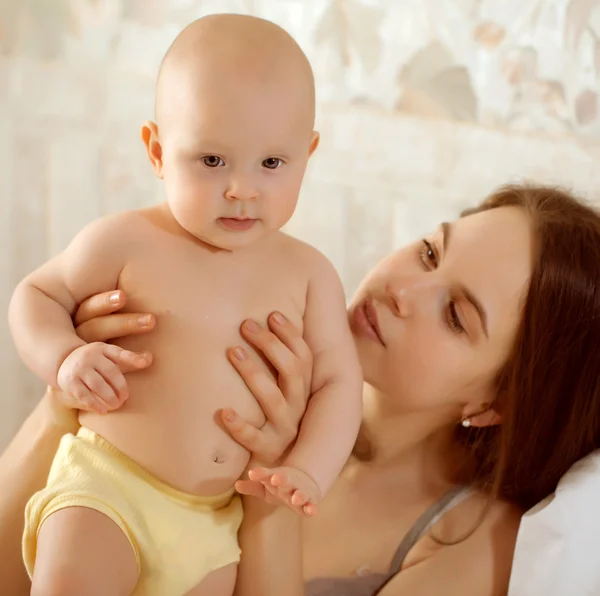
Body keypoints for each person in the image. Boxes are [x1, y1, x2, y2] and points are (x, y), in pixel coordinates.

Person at [3, 183, 600, 596]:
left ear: (495, 404)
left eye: (456, 316)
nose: (403, 290)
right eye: (427, 253)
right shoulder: (243, 346)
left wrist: (272, 496)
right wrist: (70, 401)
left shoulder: (474, 542)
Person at [8, 14, 361, 596]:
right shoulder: (124, 240)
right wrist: (64, 357)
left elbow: (339, 385)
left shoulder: (310, 275)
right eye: (212, 161)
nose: (242, 189)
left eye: (272, 164)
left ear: (308, 152)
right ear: (157, 150)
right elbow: (36, 296)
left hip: (212, 521)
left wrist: (306, 470)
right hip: (107, 489)